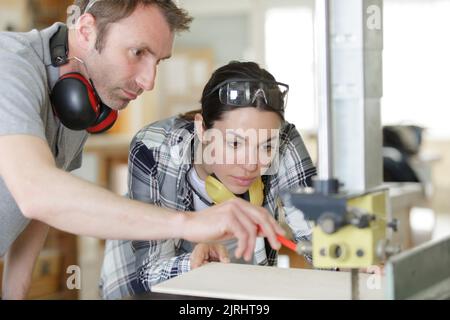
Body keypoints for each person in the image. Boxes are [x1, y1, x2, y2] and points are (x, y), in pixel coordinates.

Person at [0, 1, 284, 300]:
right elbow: (37, 192)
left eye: (158, 61)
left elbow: (41, 211)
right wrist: (188, 223)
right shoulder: (9, 65)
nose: (149, 81)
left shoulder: (79, 102)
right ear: (85, 30)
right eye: (138, 52)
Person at [100, 61, 317, 299]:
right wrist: (193, 262)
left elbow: (319, 237)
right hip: (155, 281)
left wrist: (352, 260)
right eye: (234, 144)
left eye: (266, 147)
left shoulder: (284, 139)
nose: (250, 164)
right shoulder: (154, 148)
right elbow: (149, 272)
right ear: (202, 128)